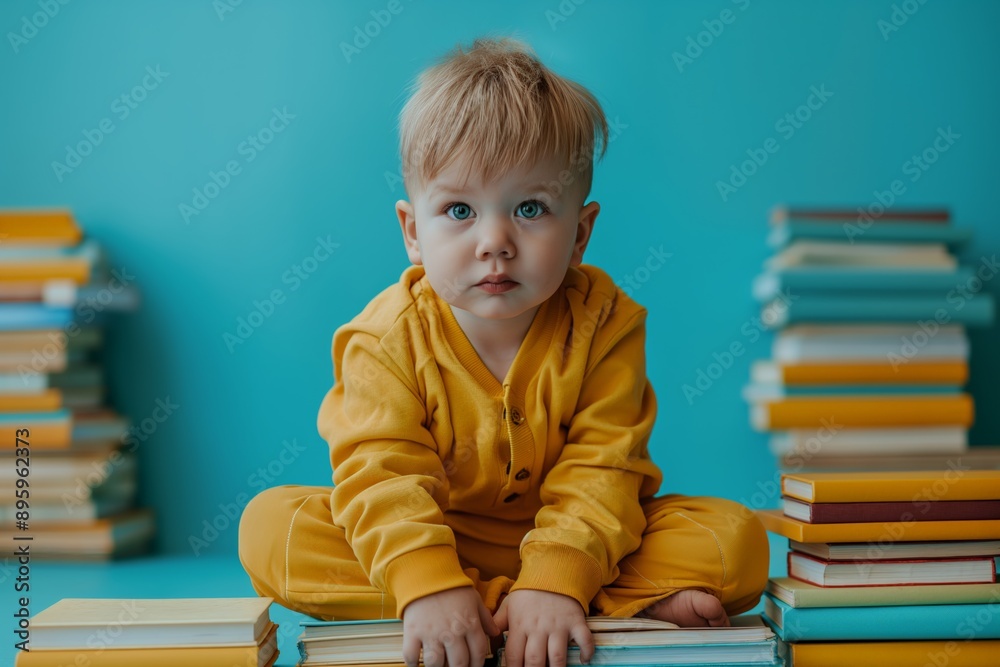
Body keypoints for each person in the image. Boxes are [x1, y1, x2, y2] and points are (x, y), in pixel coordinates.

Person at [238, 36, 768, 667]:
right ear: (413, 231)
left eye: (530, 208)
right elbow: (380, 473)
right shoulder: (384, 338)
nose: (495, 240)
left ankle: (537, 604)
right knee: (273, 530)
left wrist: (556, 574)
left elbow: (607, 468)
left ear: (580, 234)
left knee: (735, 543)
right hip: (435, 538)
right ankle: (512, 608)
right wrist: (426, 579)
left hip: (584, 539)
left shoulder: (605, 322)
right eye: (459, 209)